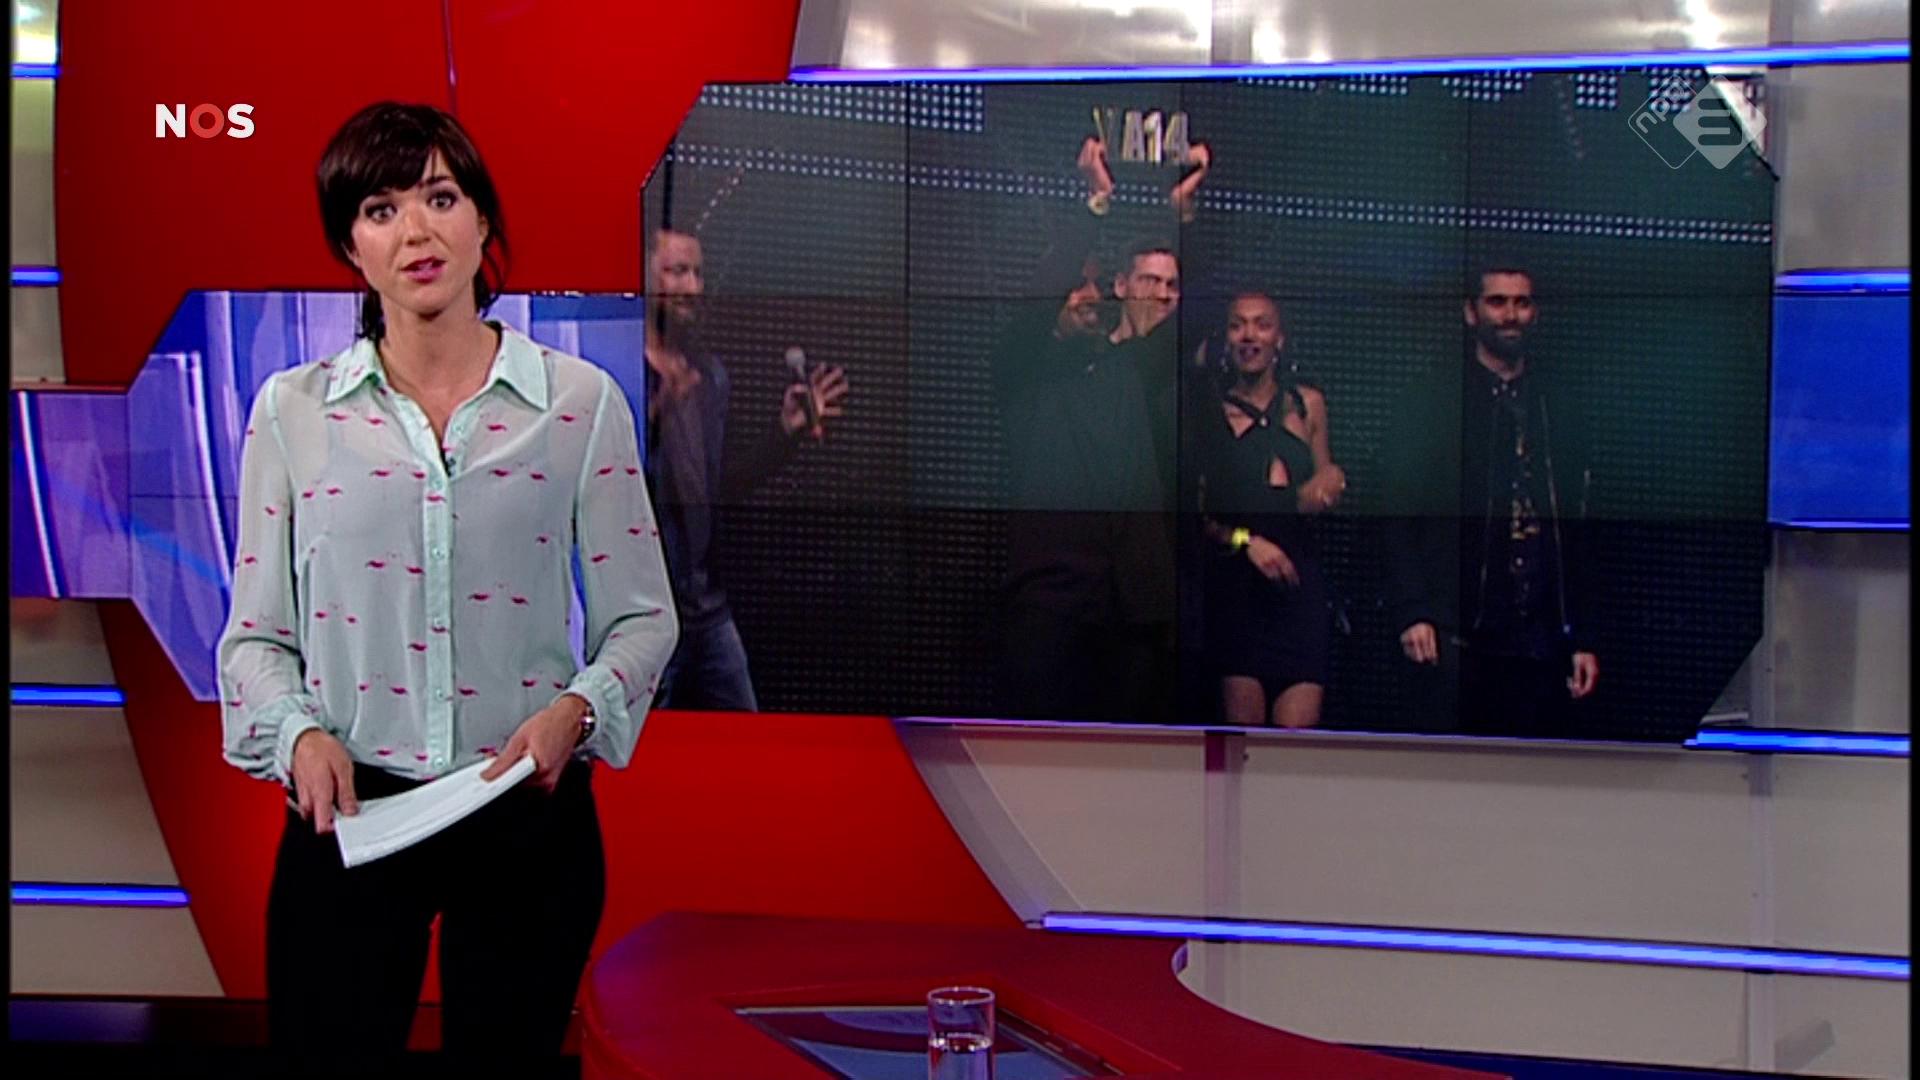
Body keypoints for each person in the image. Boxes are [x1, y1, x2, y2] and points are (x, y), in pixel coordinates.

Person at [216, 101, 678, 1068]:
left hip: (523, 813)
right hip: (350, 812)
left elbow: (642, 619)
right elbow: (255, 638)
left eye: (439, 197)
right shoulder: (292, 412)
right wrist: (297, 735)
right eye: (381, 210)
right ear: (350, 246)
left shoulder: (577, 404)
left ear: (481, 218)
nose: (416, 232)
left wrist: (577, 713)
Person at [991, 135, 1208, 722]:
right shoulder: (1024, 370)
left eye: (1094, 284)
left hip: (1133, 613)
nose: (1088, 297)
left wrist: (1184, 216)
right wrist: (1095, 204)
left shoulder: (1131, 366)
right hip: (1051, 603)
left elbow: (1192, 314)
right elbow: (1038, 299)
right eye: (1076, 285)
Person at [1377, 264, 1600, 735]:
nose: (1510, 315)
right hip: (1456, 635)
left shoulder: (1556, 404)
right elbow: (1394, 511)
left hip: (1540, 639)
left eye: (1521, 303)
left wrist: (1582, 634)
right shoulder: (1433, 400)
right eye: (1498, 302)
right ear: (1471, 312)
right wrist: (1413, 609)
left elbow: (1580, 527)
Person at [642, 225, 849, 711]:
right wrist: (653, 415)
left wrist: (784, 433)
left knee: (745, 731)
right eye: (677, 271)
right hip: (648, 614)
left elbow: (724, 486)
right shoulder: (620, 366)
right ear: (645, 276)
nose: (692, 287)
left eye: (698, 273)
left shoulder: (710, 376)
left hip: (707, 607)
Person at [1191, 292, 1346, 728]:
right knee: (1246, 742)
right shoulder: (1209, 411)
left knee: (1296, 745)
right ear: (1226, 338)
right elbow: (1195, 516)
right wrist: (1246, 542)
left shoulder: (1307, 404)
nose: (1249, 336)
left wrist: (1331, 482)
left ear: (1280, 338)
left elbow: (1323, 478)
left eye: (1261, 325)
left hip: (1298, 587)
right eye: (1238, 325)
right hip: (1238, 592)